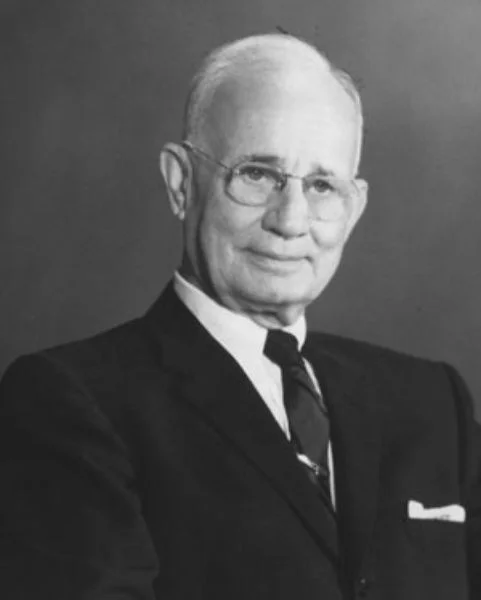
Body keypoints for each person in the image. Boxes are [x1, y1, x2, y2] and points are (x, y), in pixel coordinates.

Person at [0, 33, 480, 600]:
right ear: (181, 182)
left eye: (322, 185)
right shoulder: (69, 402)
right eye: (257, 174)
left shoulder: (433, 404)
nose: (290, 220)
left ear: (353, 210)